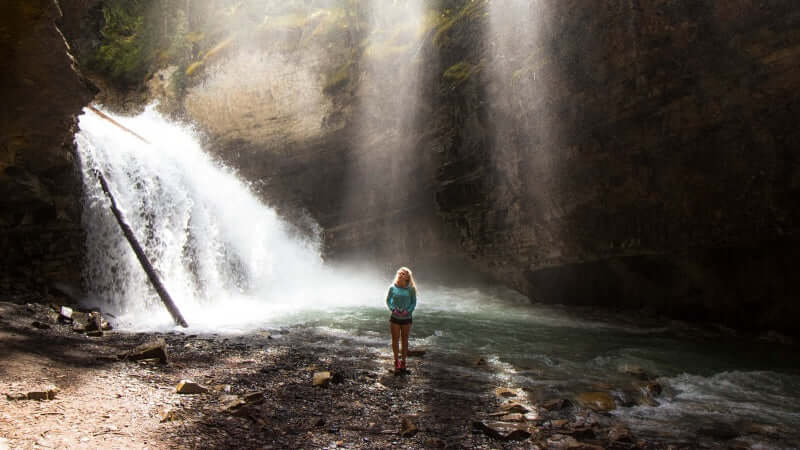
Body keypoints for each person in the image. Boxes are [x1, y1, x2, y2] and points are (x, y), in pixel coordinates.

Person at [386, 267, 417, 373]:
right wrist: (392, 309)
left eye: (406, 274)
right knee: (395, 340)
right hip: (395, 317)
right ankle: (396, 361)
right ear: (398, 275)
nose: (403, 275)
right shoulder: (392, 287)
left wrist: (407, 311)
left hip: (407, 318)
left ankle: (403, 361)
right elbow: (388, 300)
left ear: (408, 277)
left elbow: (414, 303)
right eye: (401, 274)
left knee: (404, 340)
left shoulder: (411, 289)